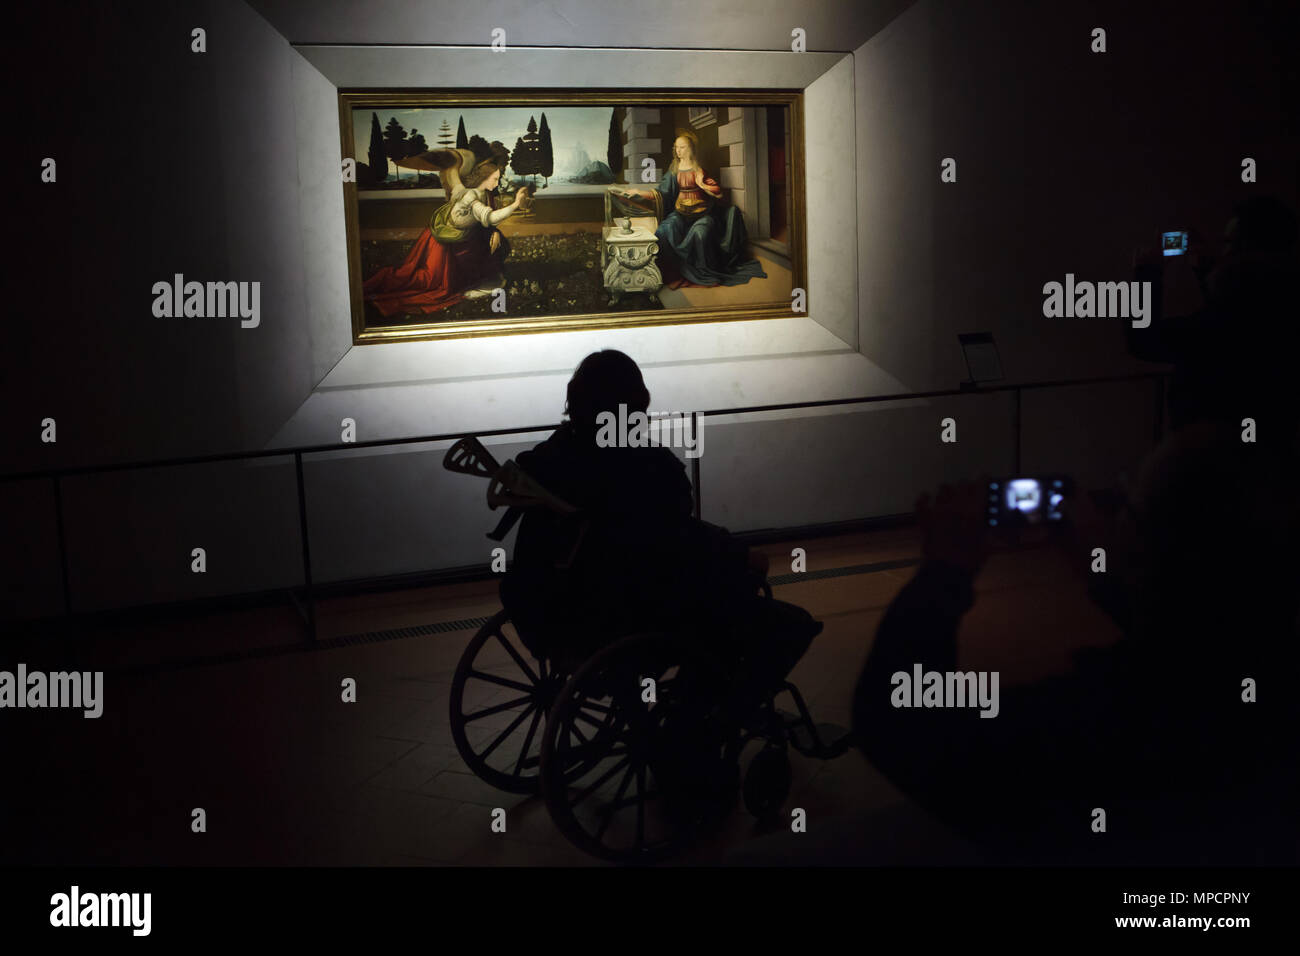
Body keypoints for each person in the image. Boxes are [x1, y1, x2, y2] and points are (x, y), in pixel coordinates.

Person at [852, 424, 1300, 865]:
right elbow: (1197, 640)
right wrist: (1112, 578)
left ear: (1145, 548)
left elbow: (899, 724)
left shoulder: (1093, 725)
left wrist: (945, 570)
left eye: (1126, 502)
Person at [501, 350, 818, 717]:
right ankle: (703, 719)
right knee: (787, 624)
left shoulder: (547, 459)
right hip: (627, 617)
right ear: (636, 403)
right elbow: (675, 541)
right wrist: (738, 553)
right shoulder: (646, 465)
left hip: (552, 614)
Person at [1128, 196, 1300, 443]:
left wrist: (1146, 273)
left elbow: (1145, 340)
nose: (1224, 251)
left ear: (1245, 248)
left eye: (1229, 243)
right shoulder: (1283, 304)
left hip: (1211, 458)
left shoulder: (1232, 317)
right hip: (1272, 448)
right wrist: (1209, 271)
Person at [363, 147, 531, 317]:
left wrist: (493, 232)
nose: (497, 183)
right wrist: (516, 204)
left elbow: (483, 222)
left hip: (451, 240)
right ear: (484, 177)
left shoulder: (470, 191)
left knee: (492, 254)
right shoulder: (471, 196)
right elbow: (489, 218)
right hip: (442, 244)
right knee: (426, 281)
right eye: (495, 179)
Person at [614, 130, 768, 288]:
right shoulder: (674, 170)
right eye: (676, 147)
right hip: (680, 214)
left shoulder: (698, 170)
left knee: (700, 234)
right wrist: (639, 192)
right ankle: (669, 273)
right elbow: (661, 192)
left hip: (702, 215)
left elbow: (718, 192)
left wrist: (703, 185)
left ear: (690, 149)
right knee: (664, 231)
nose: (678, 151)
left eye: (682, 147)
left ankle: (703, 272)